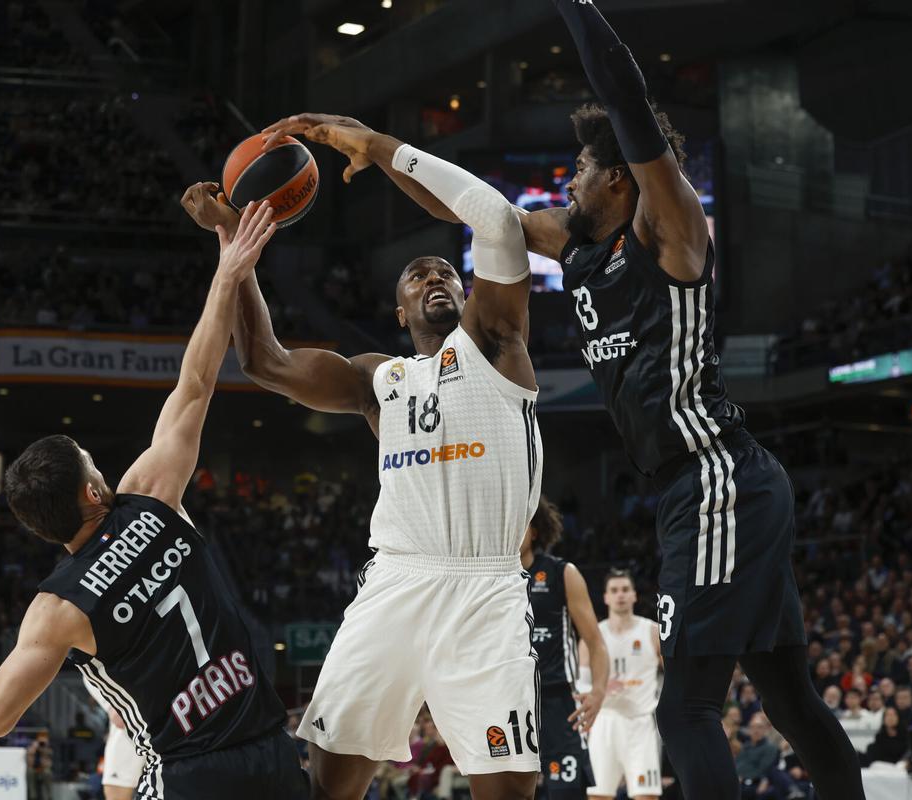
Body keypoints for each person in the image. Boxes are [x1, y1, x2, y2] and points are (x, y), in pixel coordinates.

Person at [255, 1, 864, 796]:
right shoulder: (577, 244)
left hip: (714, 475)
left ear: (618, 177)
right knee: (788, 697)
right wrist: (380, 148)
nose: (567, 181)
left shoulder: (670, 232)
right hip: (697, 485)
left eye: (579, 169)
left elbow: (624, 96)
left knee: (684, 710)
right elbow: (485, 213)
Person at [0, 201, 306, 799]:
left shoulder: (57, 607)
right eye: (94, 462)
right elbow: (194, 384)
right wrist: (227, 273)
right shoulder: (151, 496)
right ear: (94, 492)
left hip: (190, 776)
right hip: (270, 752)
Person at [188, 118, 543, 799]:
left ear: (465, 294)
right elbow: (265, 361)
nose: (435, 276)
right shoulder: (378, 382)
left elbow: (497, 220)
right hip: (395, 586)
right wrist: (233, 242)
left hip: (484, 590)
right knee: (328, 785)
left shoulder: (497, 343)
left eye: (446, 272)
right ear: (399, 305)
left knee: (508, 791)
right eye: (418, 274)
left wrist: (380, 148)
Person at [519, 495, 610, 799]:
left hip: (557, 701)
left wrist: (597, 691)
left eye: (522, 523)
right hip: (508, 702)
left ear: (535, 531)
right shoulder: (488, 579)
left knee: (565, 793)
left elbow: (595, 641)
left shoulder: (561, 573)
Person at [583, 570, 662, 800]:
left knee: (647, 796)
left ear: (635, 596)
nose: (621, 595)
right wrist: (599, 688)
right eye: (615, 590)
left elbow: (675, 676)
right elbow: (579, 683)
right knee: (598, 796)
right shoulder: (593, 635)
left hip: (641, 723)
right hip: (603, 722)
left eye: (625, 590)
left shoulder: (652, 631)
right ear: (606, 597)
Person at [80, 668, 146, 800]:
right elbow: (119, 718)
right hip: (131, 726)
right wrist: (111, 705)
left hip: (169, 709)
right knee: (116, 788)